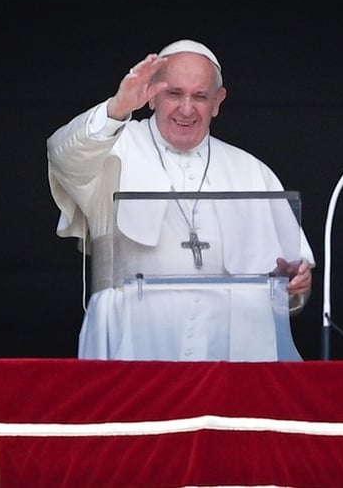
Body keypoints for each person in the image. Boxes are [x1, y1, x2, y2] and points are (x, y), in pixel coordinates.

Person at [47, 39, 315, 362]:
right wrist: (117, 108)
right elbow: (62, 156)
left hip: (227, 353)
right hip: (131, 342)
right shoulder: (111, 151)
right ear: (152, 94)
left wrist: (294, 284)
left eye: (200, 96)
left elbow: (291, 291)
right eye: (174, 94)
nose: (186, 109)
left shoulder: (252, 171)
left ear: (218, 102)